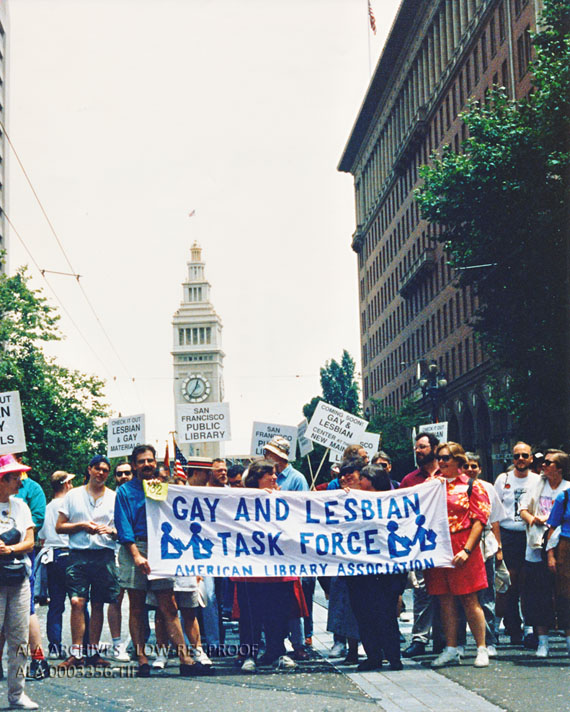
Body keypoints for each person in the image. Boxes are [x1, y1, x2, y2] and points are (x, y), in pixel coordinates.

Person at [114, 444, 210, 677]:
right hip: (135, 548)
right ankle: (142, 659)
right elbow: (123, 525)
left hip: (160, 549)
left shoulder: (160, 487)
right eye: (141, 461)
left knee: (169, 605)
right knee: (137, 607)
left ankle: (185, 658)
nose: (146, 465)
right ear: (134, 465)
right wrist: (136, 555)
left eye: (150, 460)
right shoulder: (125, 491)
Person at [425, 442, 491, 669]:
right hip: (438, 547)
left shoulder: (473, 486)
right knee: (444, 599)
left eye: (446, 458)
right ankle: (451, 647)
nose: (441, 462)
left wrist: (467, 550)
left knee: (469, 599)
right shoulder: (432, 485)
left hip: (463, 545)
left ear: (458, 460)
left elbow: (479, 521)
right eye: (439, 458)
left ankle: (481, 647)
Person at [56, 455, 119, 669]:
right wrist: (82, 526)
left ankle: (92, 652)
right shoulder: (73, 495)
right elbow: (59, 526)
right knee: (77, 602)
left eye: (105, 470)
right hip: (78, 554)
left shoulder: (113, 497)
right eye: (98, 469)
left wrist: (110, 531)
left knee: (98, 603)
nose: (101, 473)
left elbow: (121, 530)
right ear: (90, 469)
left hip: (104, 554)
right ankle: (76, 653)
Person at [235, 459, 298, 672]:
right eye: (269, 474)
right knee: (250, 615)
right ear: (256, 478)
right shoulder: (239, 500)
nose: (274, 477)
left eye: (275, 473)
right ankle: (249, 655)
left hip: (278, 570)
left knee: (278, 614)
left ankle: (277, 652)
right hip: (250, 571)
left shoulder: (285, 499)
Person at [345, 464, 407, 671]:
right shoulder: (350, 501)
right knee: (364, 615)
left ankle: (393, 656)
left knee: (386, 614)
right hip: (360, 571)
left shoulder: (393, 502)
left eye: (361, 478)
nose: (358, 481)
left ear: (371, 481)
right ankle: (373, 656)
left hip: (386, 571)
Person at [519, 449, 570, 657]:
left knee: (564, 594)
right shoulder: (536, 485)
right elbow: (523, 508)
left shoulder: (566, 490)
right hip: (537, 543)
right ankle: (542, 641)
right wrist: (533, 520)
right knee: (539, 593)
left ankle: (567, 638)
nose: (543, 466)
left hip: (561, 546)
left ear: (560, 468)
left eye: (548, 463)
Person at [456, 454, 505, 658]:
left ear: (480, 469)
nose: (470, 469)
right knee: (461, 596)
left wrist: (499, 547)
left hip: (485, 544)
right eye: (466, 466)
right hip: (460, 545)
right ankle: (459, 643)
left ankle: (490, 640)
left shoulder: (487, 488)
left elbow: (494, 520)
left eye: (474, 466)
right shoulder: (454, 487)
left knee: (486, 596)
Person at [0, 454, 38, 710]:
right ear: (3, 479)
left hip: (18, 577)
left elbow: (30, 542)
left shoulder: (21, 506)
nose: (21, 483)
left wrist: (10, 549)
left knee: (19, 637)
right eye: (16, 478)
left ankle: (17, 693)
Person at [400, 432, 444, 658]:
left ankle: (444, 638)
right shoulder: (409, 480)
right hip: (421, 545)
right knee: (422, 591)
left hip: (445, 543)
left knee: (446, 592)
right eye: (416, 447)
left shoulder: (448, 475)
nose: (418, 451)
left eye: (423, 447)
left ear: (435, 449)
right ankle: (419, 638)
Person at [494, 442, 541, 646]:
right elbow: (495, 514)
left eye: (524, 455)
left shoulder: (538, 480)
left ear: (531, 458)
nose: (520, 459)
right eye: (516, 456)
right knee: (508, 583)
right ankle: (511, 626)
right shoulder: (503, 479)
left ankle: (530, 628)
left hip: (530, 534)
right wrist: (498, 544)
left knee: (529, 582)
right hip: (508, 534)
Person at [37, 471, 75, 659]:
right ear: (66, 484)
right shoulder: (71, 505)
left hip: (53, 557)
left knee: (56, 604)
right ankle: (83, 645)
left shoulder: (47, 507)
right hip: (71, 554)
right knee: (79, 602)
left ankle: (54, 646)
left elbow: (42, 537)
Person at [107, 461, 134, 663]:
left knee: (138, 600)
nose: (123, 476)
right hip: (115, 551)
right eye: (119, 474)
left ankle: (137, 641)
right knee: (116, 598)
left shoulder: (139, 494)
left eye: (127, 473)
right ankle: (117, 643)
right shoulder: (110, 497)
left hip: (136, 551)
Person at [545, 451, 570, 657]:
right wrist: (551, 556)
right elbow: (552, 529)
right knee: (566, 593)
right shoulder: (564, 496)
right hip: (565, 547)